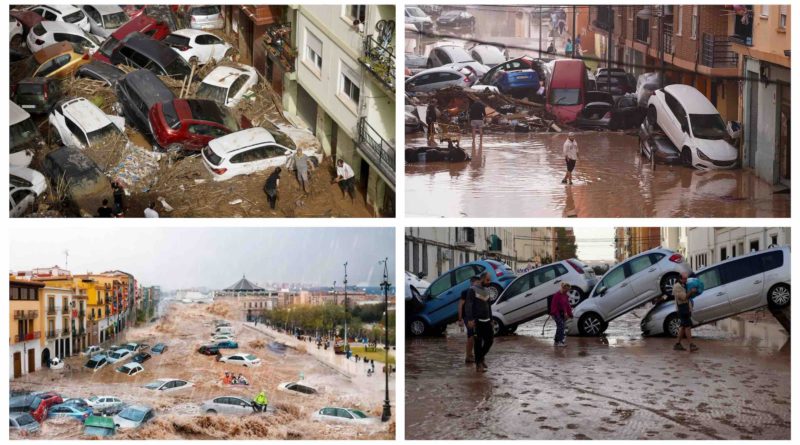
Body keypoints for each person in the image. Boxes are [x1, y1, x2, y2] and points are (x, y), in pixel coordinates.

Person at [463, 273, 493, 372]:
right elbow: (468, 305)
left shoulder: (487, 290)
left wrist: (491, 319)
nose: (490, 282)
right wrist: (470, 319)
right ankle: (478, 364)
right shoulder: (472, 290)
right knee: (478, 342)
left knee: (489, 341)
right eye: (488, 280)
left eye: (490, 280)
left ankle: (480, 357)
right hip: (477, 320)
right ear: (482, 279)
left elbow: (488, 306)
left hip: (487, 320)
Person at [673, 273, 699, 352]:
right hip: (682, 309)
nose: (686, 280)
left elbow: (688, 297)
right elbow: (683, 297)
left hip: (685, 308)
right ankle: (691, 345)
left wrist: (693, 292)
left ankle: (677, 344)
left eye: (686, 279)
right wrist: (691, 291)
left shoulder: (683, 285)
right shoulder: (677, 286)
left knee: (683, 327)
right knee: (687, 327)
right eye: (685, 279)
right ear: (680, 279)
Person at [551, 282, 574, 347]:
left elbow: (567, 305)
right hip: (556, 313)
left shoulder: (565, 296)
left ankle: (556, 341)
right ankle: (560, 342)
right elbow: (554, 306)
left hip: (563, 314)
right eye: (566, 290)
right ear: (563, 288)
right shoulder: (557, 295)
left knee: (561, 326)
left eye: (568, 290)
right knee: (561, 326)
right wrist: (555, 314)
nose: (567, 291)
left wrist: (570, 314)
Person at [457, 287, 476, 364]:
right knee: (471, 336)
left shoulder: (480, 291)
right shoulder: (465, 292)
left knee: (473, 336)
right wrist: (460, 319)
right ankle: (468, 356)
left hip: (474, 317)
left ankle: (470, 355)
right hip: (467, 317)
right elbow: (460, 305)